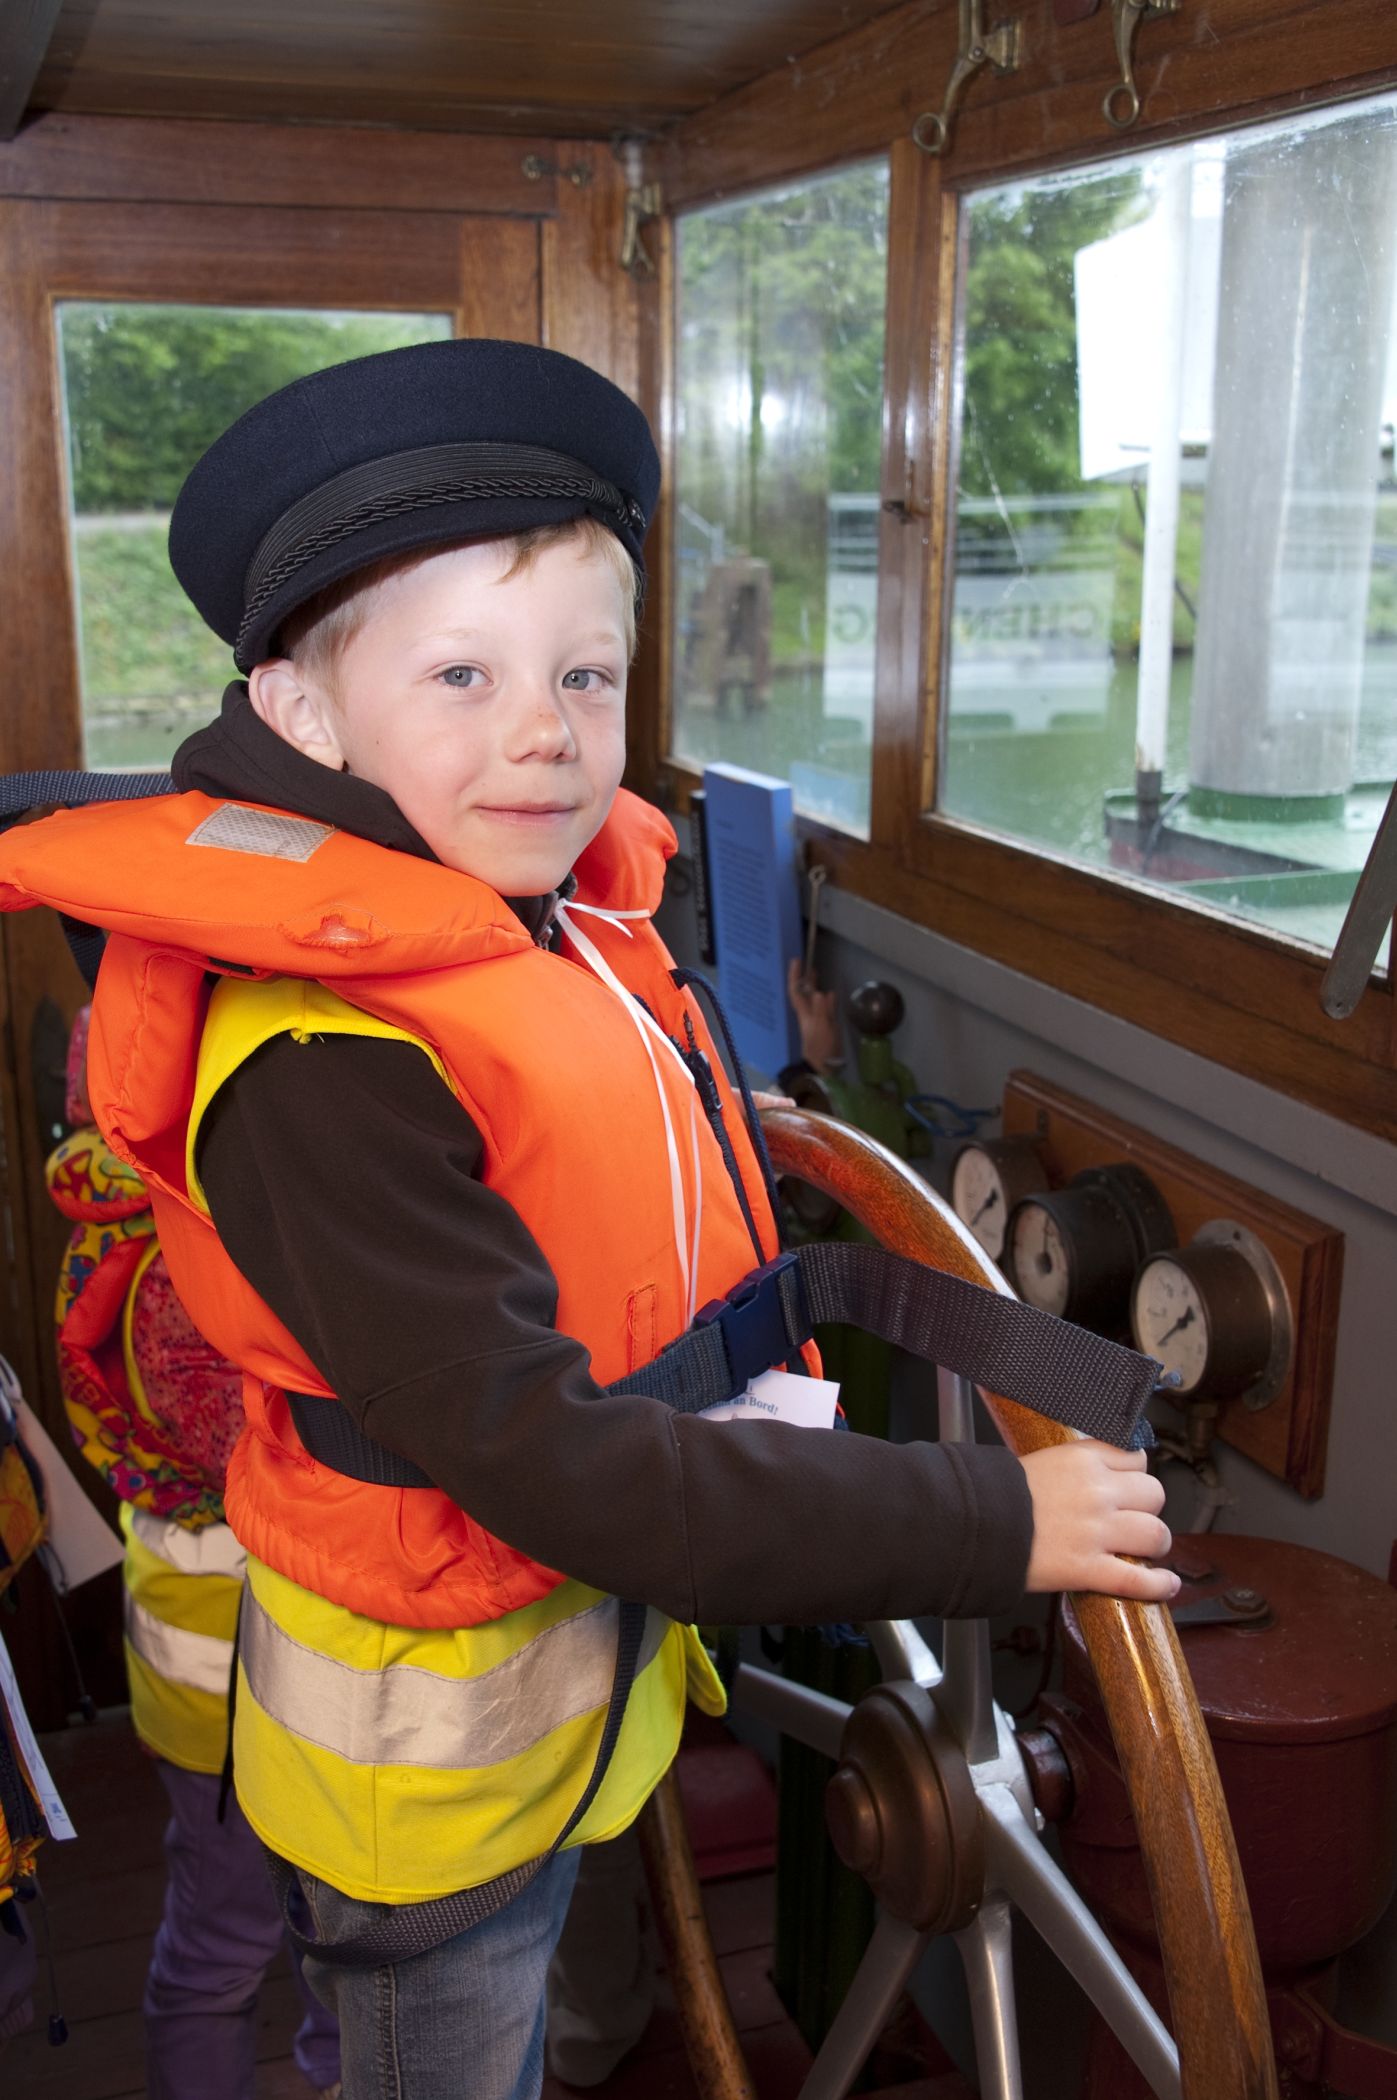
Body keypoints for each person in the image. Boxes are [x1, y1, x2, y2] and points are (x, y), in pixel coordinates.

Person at [0, 337, 1178, 2100]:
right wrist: (983, 1515)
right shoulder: (321, 1065)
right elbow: (553, 1463)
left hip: (562, 1701)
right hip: (432, 1795)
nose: (542, 730)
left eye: (584, 673)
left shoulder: (542, 923)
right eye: (462, 675)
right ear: (301, 714)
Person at [43, 1011, 342, 2100]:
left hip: (188, 1638)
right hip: (254, 1663)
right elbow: (260, 1453)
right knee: (283, 1940)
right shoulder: (184, 1263)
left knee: (230, 1937)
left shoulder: (109, 1214)